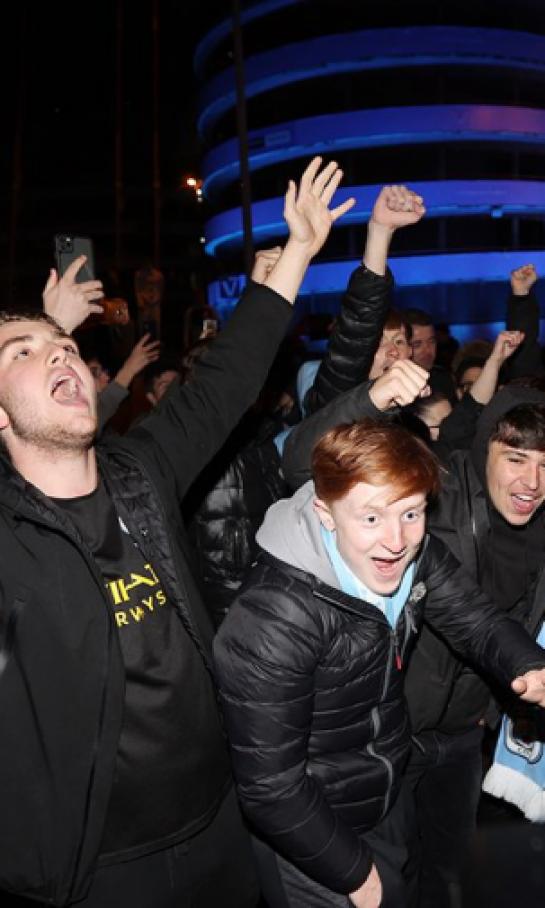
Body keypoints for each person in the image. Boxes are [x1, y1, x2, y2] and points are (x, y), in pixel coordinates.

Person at [0, 156, 355, 908]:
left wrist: (294, 253)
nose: (60, 352)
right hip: (97, 866)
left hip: (221, 824)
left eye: (64, 346)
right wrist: (50, 322)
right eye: (22, 355)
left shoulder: (141, 470)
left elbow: (226, 381)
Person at [213, 419, 545, 908]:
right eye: (371, 519)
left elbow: (476, 619)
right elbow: (270, 788)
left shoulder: (414, 553)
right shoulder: (272, 619)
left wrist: (531, 665)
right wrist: (353, 872)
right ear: (325, 513)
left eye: (412, 514)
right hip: (312, 837)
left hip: (385, 799)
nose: (396, 540)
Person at [403, 308, 458, 404]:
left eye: (431, 341)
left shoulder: (444, 379)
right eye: (417, 344)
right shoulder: (392, 386)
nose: (428, 350)